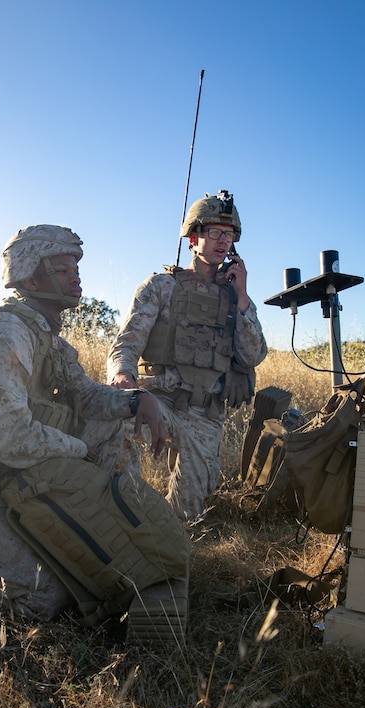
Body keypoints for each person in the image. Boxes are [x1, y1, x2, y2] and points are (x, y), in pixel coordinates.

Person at [0, 224, 182, 623]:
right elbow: (7, 438)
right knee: (49, 600)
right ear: (31, 276)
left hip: (21, 472)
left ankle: (108, 519)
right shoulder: (3, 334)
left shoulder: (49, 337)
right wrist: (79, 453)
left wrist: (137, 400)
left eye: (75, 268)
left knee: (112, 421)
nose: (76, 276)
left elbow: (87, 396)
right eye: (63, 270)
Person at [107, 190, 268, 521]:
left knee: (189, 515)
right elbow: (127, 342)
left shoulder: (236, 296)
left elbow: (252, 356)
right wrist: (123, 375)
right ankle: (124, 510)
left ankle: (167, 537)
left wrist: (242, 298)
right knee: (111, 419)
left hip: (206, 416)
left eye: (229, 234)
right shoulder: (161, 286)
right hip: (160, 399)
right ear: (194, 237)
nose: (223, 241)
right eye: (214, 232)